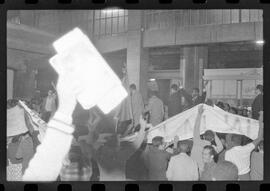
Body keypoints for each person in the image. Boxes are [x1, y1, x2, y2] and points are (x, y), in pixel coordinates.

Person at [225, 111, 263, 180]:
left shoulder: (228, 152)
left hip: (234, 177)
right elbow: (260, 137)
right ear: (240, 141)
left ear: (232, 141)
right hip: (246, 177)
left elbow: (227, 167)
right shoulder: (247, 149)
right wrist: (261, 120)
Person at [191, 105, 223, 174]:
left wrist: (199, 114)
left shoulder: (196, 141)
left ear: (204, 136)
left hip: (192, 171)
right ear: (212, 139)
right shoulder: (212, 149)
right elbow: (221, 147)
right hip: (204, 172)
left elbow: (196, 127)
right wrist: (214, 134)